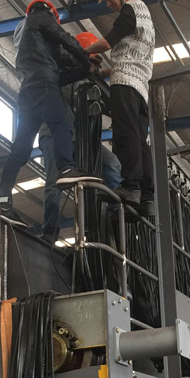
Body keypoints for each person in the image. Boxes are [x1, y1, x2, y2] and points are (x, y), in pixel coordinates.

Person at [0, 0, 100, 222]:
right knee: (60, 125)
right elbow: (64, 39)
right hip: (43, 86)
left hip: (28, 93)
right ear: (51, 13)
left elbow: (60, 71)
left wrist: (85, 71)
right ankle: (66, 169)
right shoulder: (40, 17)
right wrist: (84, 58)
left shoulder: (32, 42)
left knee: (20, 149)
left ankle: (3, 201)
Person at [83, 0, 155, 216]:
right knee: (140, 140)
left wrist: (81, 51)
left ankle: (131, 186)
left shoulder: (130, 9)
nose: (109, 4)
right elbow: (131, 55)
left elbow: (108, 42)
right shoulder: (145, 14)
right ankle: (147, 197)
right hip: (140, 87)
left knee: (125, 134)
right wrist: (104, 72)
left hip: (125, 84)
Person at [38, 31, 122, 241]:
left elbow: (91, 81)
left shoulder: (86, 77)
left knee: (112, 164)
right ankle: (50, 232)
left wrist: (107, 73)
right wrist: (89, 71)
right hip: (55, 136)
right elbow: (70, 91)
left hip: (81, 138)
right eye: (90, 60)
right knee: (54, 182)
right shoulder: (59, 72)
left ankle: (115, 216)